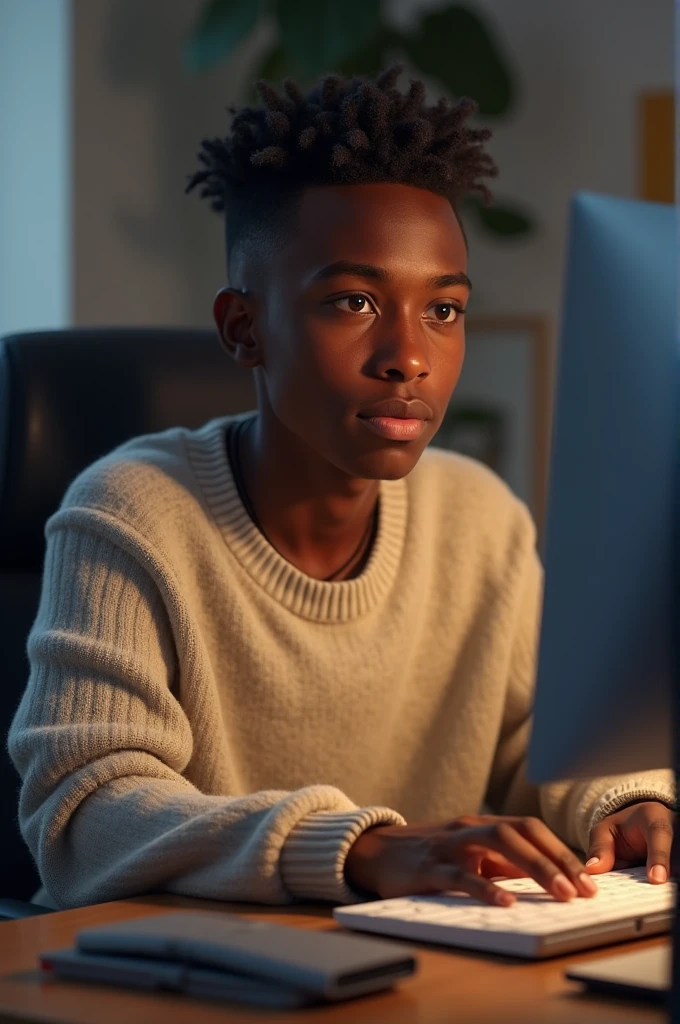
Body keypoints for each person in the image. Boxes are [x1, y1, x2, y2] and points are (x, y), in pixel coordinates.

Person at [8, 65, 675, 912]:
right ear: (243, 329)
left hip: (427, 966)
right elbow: (82, 810)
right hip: (204, 983)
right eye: (355, 301)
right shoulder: (131, 514)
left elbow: (543, 746)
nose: (409, 356)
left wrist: (629, 803)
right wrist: (356, 848)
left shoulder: (480, 518)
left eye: (444, 310)